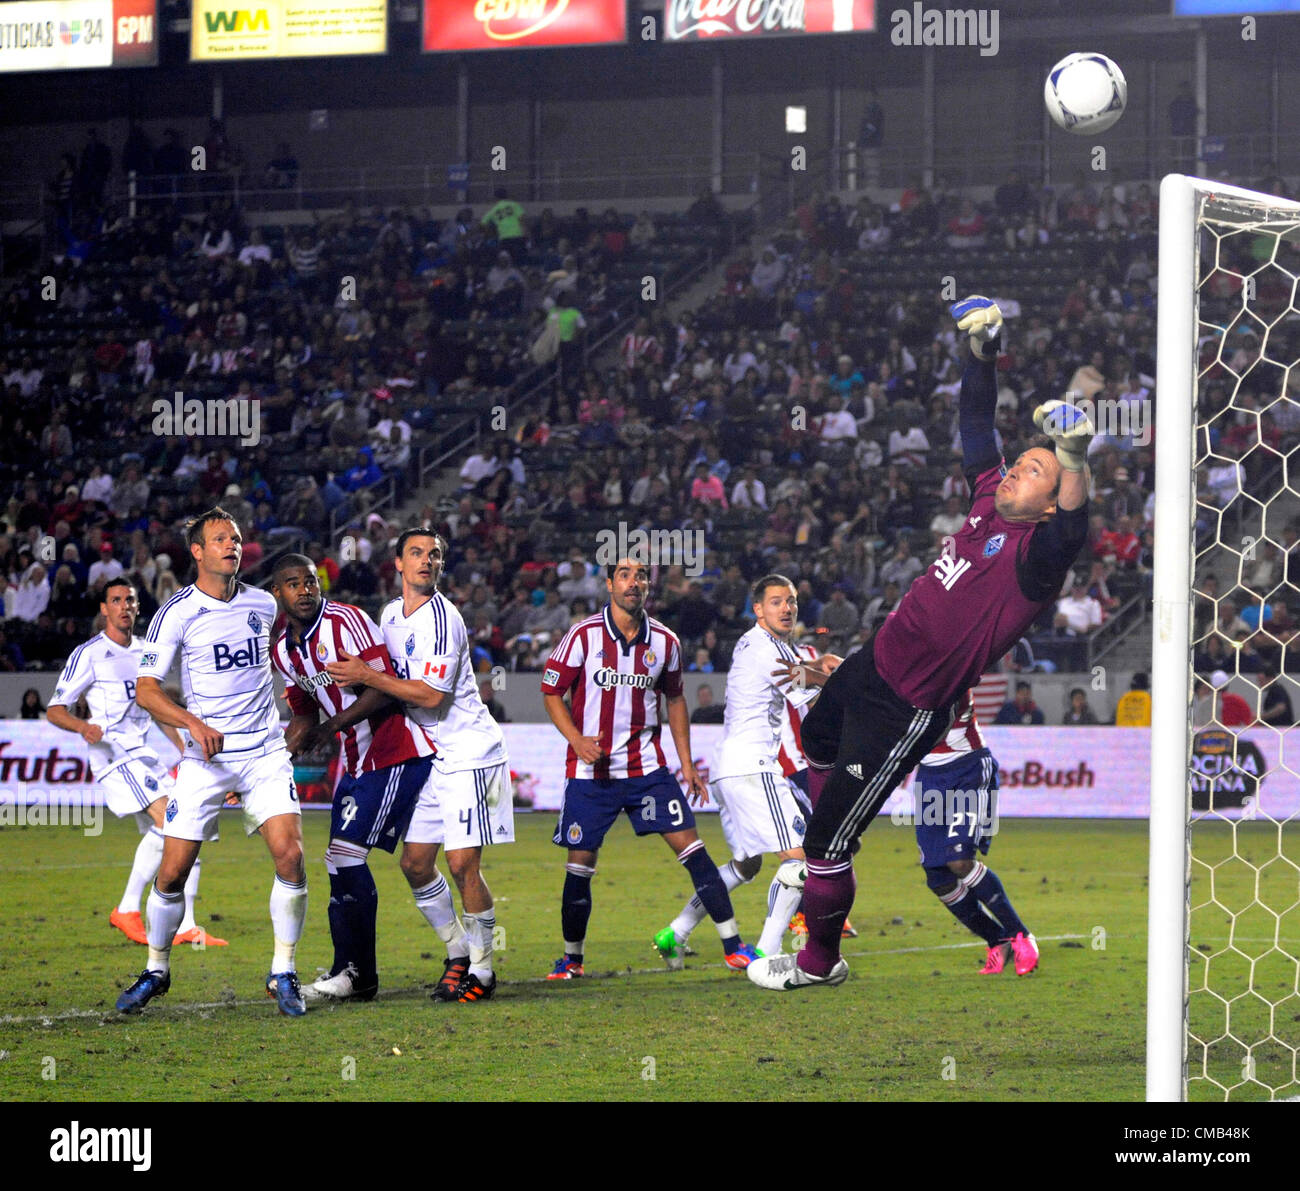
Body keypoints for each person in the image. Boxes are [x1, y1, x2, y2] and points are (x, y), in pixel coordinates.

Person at [747, 294, 1091, 992]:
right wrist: (980, 353)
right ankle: (831, 840)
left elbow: (1076, 529)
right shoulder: (987, 496)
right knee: (813, 742)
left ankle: (821, 959)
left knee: (825, 845)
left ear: (1050, 501)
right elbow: (974, 419)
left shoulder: (1035, 559)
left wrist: (1075, 453)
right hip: (871, 664)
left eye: (1034, 470)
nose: (1017, 470)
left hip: (905, 707)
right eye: (1021, 461)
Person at [115, 509, 307, 1016]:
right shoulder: (175, 612)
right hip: (205, 759)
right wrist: (191, 725)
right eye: (220, 539)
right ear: (197, 551)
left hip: (263, 752)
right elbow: (147, 692)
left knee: (290, 856)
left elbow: (282, 659)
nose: (232, 546)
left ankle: (283, 970)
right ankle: (156, 969)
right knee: (172, 873)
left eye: (237, 538)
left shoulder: (264, 604)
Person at [540, 558, 759, 979]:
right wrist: (577, 740)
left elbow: (675, 699)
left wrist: (685, 763)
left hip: (648, 771)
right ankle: (572, 959)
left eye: (641, 576)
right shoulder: (583, 636)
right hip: (593, 775)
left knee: (694, 852)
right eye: (624, 575)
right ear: (608, 584)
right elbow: (551, 691)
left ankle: (734, 947)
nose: (633, 582)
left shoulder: (665, 641)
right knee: (580, 864)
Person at [326, 529, 513, 1004]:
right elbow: (376, 675)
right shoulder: (389, 615)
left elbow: (431, 695)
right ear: (398, 563)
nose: (426, 561)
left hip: (473, 752)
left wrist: (369, 676)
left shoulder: (444, 618)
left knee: (462, 864)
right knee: (413, 863)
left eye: (434, 555)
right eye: (417, 553)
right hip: (434, 754)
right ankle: (456, 952)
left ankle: (484, 972)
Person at [270, 555, 436, 1002]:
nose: (304, 590)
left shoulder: (346, 621)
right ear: (278, 595)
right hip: (358, 759)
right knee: (339, 860)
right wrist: (276, 757)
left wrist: (331, 727)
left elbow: (383, 686)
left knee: (346, 856)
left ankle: (357, 973)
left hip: (395, 751)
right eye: (292, 584)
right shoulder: (282, 649)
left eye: (310, 581)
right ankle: (354, 970)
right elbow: (303, 710)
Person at [656, 576, 829, 965]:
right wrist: (840, 677)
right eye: (776, 602)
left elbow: (808, 678)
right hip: (754, 768)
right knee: (799, 860)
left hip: (729, 768)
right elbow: (810, 692)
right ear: (758, 609)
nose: (786, 609)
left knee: (745, 865)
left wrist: (822, 672)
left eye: (791, 602)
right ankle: (768, 954)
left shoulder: (762, 645)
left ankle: (677, 931)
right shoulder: (766, 650)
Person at [46, 579, 220, 946]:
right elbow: (55, 709)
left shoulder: (145, 651)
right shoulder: (89, 653)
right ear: (104, 609)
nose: (124, 606)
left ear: (138, 608)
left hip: (144, 755)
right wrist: (83, 727)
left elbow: (153, 706)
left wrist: (182, 747)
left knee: (188, 829)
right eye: (116, 600)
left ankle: (187, 923)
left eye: (130, 600)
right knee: (176, 822)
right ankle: (127, 909)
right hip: (114, 753)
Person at [908, 692, 1037, 975]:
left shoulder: (953, 669)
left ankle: (1021, 936)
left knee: (959, 861)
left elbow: (934, 719)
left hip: (968, 767)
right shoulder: (902, 671)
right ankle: (997, 940)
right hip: (930, 776)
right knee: (938, 877)